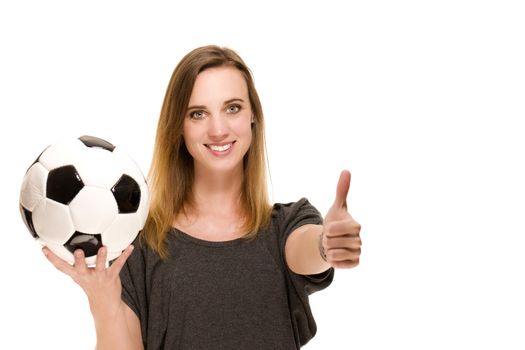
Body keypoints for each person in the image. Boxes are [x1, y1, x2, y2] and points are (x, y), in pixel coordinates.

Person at [43, 45, 362, 349]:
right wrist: (102, 298)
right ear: (178, 127)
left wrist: (327, 244)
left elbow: (308, 247)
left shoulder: (286, 226)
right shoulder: (138, 242)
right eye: (198, 114)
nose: (218, 129)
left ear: (253, 116)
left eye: (232, 108)